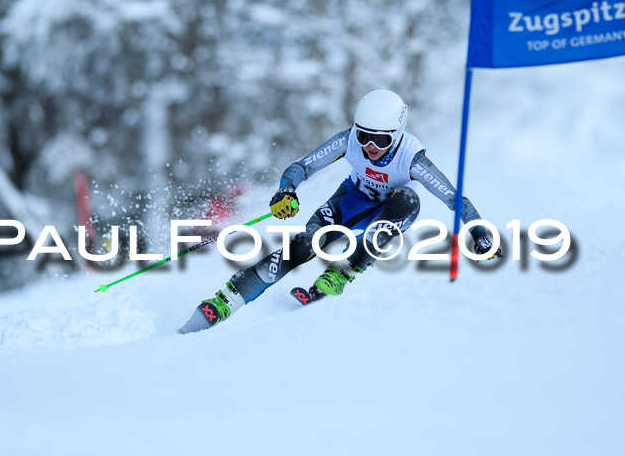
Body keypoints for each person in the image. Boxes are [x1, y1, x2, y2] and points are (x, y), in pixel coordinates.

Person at [179, 90, 499, 334]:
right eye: (364, 136)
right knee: (304, 245)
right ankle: (226, 300)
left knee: (407, 201)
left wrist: (481, 235)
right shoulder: (349, 141)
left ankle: (339, 274)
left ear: (397, 136)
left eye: (381, 139)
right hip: (350, 200)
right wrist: (286, 190)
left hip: (388, 212)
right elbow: (301, 167)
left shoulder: (412, 158)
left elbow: (455, 200)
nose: (370, 146)